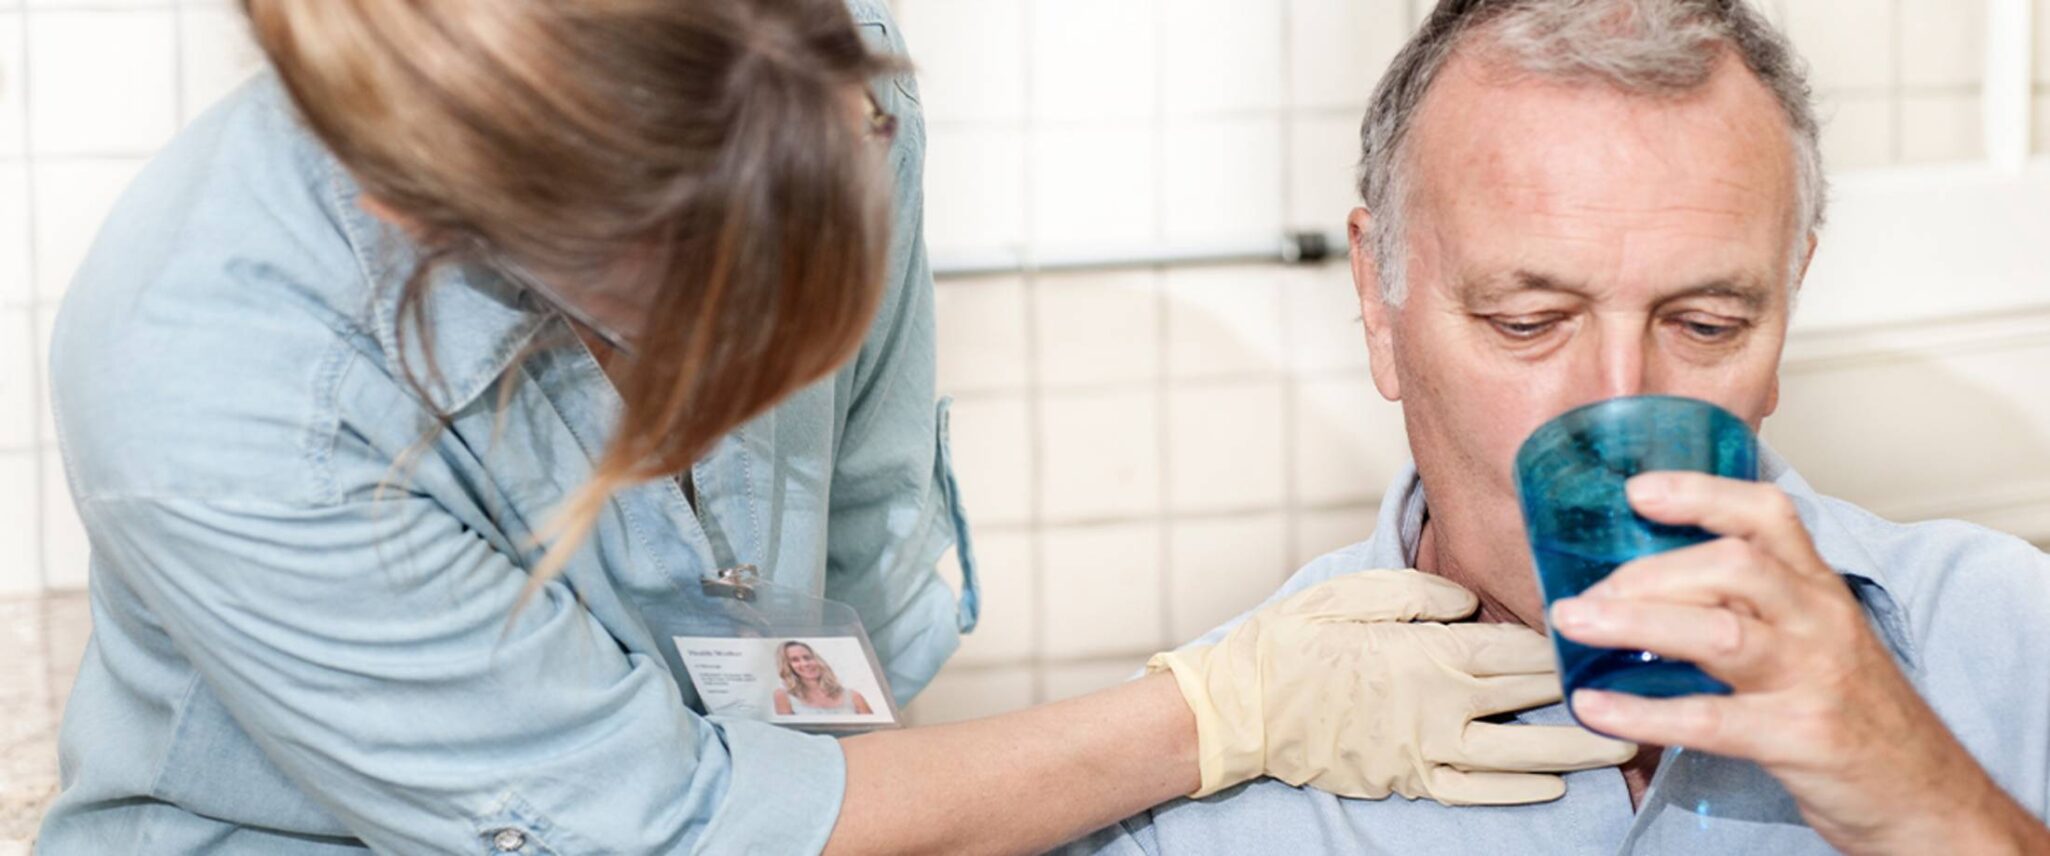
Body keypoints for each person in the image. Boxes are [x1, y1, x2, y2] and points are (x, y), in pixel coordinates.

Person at [32, 1, 1629, 852]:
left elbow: (841, 569)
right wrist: (1216, 715)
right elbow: (651, 839)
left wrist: (872, 807)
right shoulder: (222, 386)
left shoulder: (810, 85)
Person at [1069, 1, 2050, 853]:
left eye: (1706, 325)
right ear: (1377, 301)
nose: (1613, 404)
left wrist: (1942, 813)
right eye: (1525, 322)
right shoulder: (1192, 788)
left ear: (1787, 303)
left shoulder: (2008, 634)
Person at [774, 641, 875, 717]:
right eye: (794, 660)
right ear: (787, 666)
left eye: (807, 657)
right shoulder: (783, 696)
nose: (805, 664)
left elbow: (876, 733)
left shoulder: (853, 696)